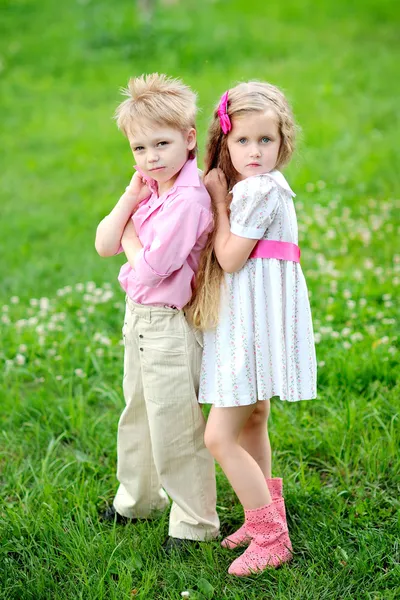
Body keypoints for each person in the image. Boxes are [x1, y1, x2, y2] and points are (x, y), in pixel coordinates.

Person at [189, 81, 317, 575]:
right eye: (242, 141)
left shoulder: (258, 189)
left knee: (219, 437)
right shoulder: (262, 186)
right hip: (261, 317)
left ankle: (270, 536)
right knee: (254, 417)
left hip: (253, 326)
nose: (254, 151)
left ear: (283, 141)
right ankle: (261, 511)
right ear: (225, 141)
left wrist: (219, 201)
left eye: (265, 140)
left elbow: (229, 257)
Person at [95, 73, 219, 550]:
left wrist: (130, 235)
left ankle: (194, 522)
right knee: (138, 413)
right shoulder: (151, 188)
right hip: (139, 319)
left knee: (176, 424)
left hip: (170, 325)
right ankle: (139, 499)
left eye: (161, 144)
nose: (151, 158)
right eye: (139, 149)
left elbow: (149, 268)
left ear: (189, 139)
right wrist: (129, 198)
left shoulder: (186, 198)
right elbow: (103, 243)